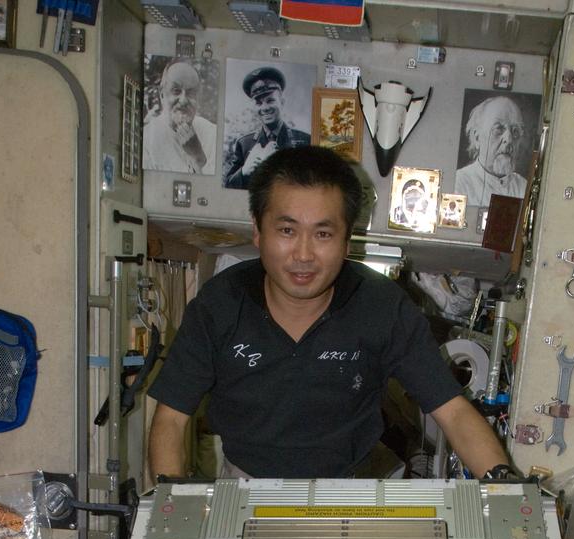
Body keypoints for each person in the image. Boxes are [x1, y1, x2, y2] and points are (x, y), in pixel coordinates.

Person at [148, 146, 515, 483]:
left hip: (352, 483)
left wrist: (503, 486)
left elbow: (452, 411)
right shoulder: (221, 304)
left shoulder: (383, 306)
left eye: (323, 234)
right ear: (258, 230)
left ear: (346, 240)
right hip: (244, 481)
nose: (303, 255)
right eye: (287, 230)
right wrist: (167, 509)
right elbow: (171, 418)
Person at [224, 67, 311, 190]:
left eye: (270, 100)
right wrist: (243, 172)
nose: (264, 108)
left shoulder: (306, 142)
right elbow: (228, 186)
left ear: (282, 102)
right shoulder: (244, 144)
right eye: (258, 103)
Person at [142, 58, 217, 175]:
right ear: (162, 95)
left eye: (191, 93)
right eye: (176, 91)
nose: (183, 100)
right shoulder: (147, 140)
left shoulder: (212, 134)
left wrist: (198, 157)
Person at [454, 96, 529, 206]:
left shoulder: (524, 187)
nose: (509, 139)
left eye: (515, 131)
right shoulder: (459, 183)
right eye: (499, 128)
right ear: (477, 138)